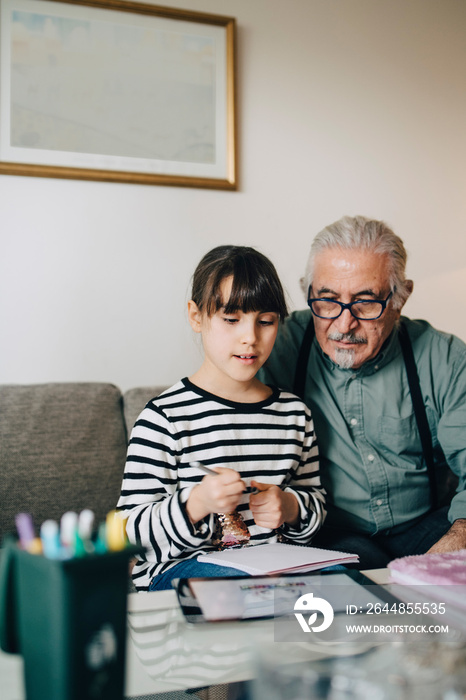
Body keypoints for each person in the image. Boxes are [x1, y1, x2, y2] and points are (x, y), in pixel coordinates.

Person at [259, 215, 466, 569]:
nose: (343, 324)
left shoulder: (444, 358)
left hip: (429, 526)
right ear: (307, 292)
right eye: (326, 300)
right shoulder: (278, 347)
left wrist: (459, 537)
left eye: (365, 302)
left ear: (400, 298)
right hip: (334, 535)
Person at [117, 245, 326, 591]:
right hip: (186, 571)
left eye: (266, 321)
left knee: (342, 582)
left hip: (274, 571)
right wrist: (195, 504)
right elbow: (128, 535)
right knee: (234, 590)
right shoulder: (164, 418)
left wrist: (289, 506)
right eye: (231, 319)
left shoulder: (294, 415)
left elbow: (315, 505)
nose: (250, 337)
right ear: (196, 317)